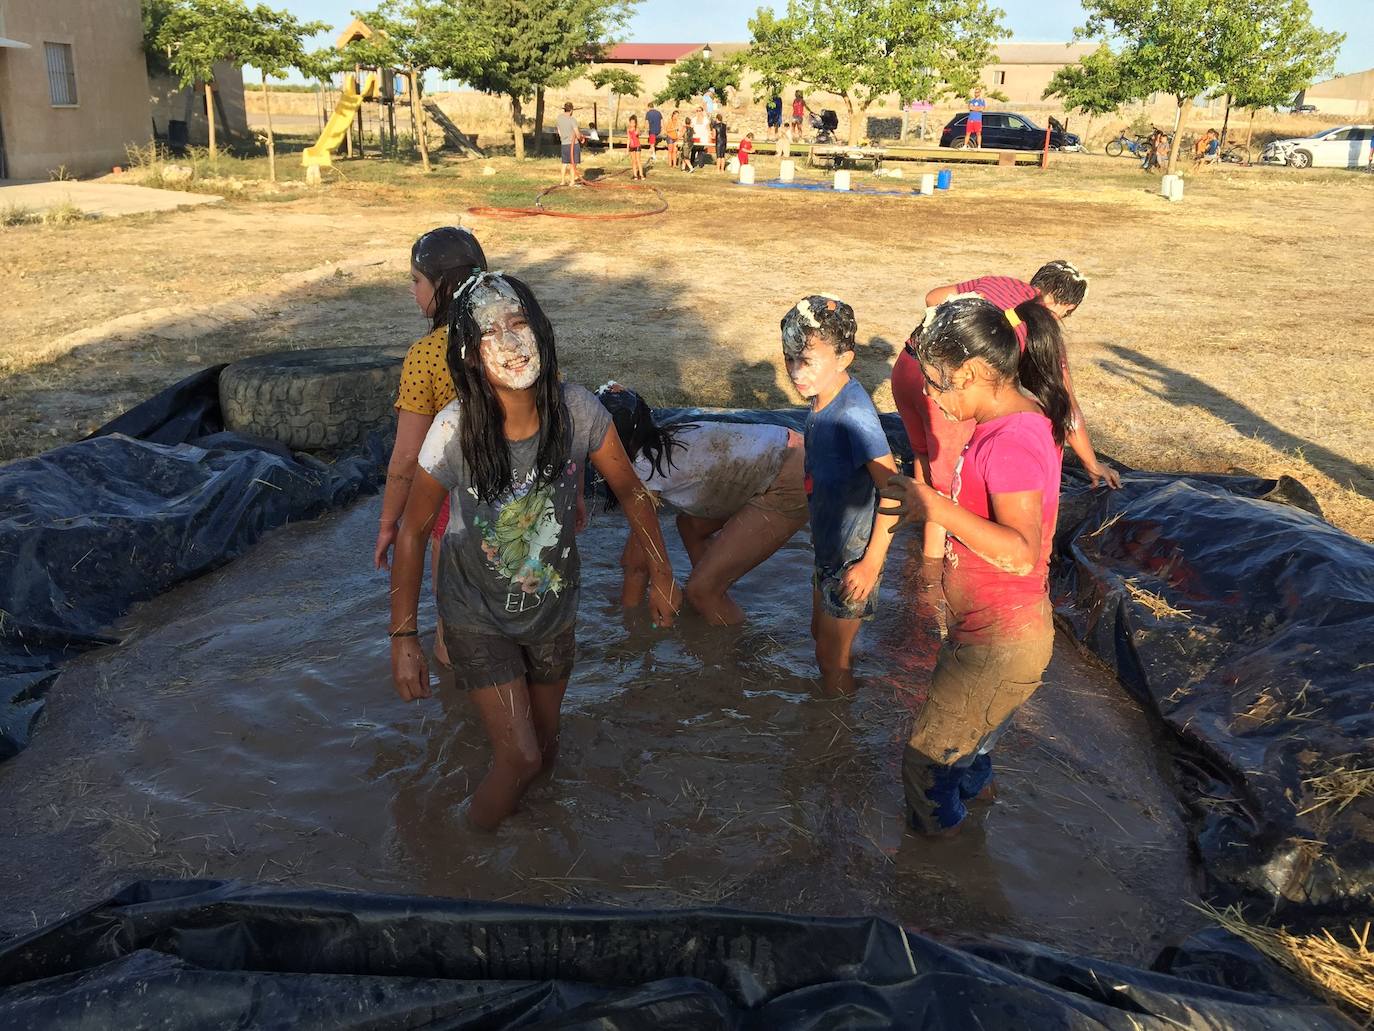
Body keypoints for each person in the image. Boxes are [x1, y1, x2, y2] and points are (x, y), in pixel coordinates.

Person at [388, 272, 681, 831]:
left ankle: (529, 860)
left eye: (519, 323)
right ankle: (463, 861)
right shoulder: (454, 430)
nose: (510, 340)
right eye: (490, 332)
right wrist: (404, 637)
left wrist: (663, 574)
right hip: (474, 613)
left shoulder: (579, 412)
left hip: (550, 609)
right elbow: (412, 529)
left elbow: (632, 494)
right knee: (519, 756)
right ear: (471, 357)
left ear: (541, 333)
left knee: (544, 749)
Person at [879, 297, 1071, 837]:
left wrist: (935, 506)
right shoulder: (1012, 419)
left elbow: (1019, 551)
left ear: (975, 373)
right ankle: (978, 817)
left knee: (925, 768)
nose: (933, 401)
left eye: (937, 386)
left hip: (1000, 642)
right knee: (972, 747)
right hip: (994, 633)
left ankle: (945, 874)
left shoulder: (1011, 441)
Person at [891, 262, 1118, 560]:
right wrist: (1092, 464)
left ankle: (916, 521)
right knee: (945, 487)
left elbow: (933, 297)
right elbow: (1067, 407)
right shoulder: (1035, 329)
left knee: (925, 456)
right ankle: (931, 567)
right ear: (1066, 307)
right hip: (950, 384)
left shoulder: (1000, 284)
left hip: (910, 366)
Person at [598, 384, 808, 626]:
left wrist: (629, 624)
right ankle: (715, 594)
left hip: (791, 480)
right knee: (690, 525)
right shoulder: (664, 438)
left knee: (701, 591)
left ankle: (735, 651)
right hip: (789, 449)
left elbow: (637, 566)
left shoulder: (643, 471)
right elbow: (636, 553)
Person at [377, 227, 490, 670]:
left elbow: (407, 459)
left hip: (454, 506)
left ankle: (457, 719)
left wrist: (391, 523)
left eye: (416, 280)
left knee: (454, 627)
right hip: (524, 495)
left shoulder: (426, 354)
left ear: (442, 286)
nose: (411, 291)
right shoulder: (518, 336)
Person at [781, 296, 900, 695]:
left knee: (831, 661)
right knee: (822, 637)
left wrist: (869, 565)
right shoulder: (822, 398)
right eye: (789, 359)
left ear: (844, 359)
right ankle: (843, 693)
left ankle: (837, 738)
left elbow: (895, 491)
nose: (796, 372)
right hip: (830, 551)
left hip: (853, 559)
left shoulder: (853, 417)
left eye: (807, 361)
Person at [556, 102, 583, 185]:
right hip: (573, 145)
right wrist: (581, 139)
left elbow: (559, 130)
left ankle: (562, 181)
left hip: (564, 144)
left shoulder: (559, 118)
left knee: (564, 163)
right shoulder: (572, 120)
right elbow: (577, 133)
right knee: (573, 164)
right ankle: (572, 182)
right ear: (571, 110)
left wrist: (562, 138)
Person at [627, 114, 644, 180]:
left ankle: (641, 175)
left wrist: (637, 131)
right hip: (631, 146)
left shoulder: (637, 129)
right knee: (633, 161)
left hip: (637, 146)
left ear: (635, 123)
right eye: (631, 122)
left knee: (638, 160)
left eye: (633, 123)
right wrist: (627, 148)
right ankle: (635, 175)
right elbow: (628, 138)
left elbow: (638, 133)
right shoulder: (628, 129)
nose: (632, 124)